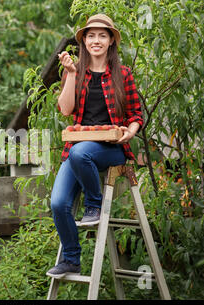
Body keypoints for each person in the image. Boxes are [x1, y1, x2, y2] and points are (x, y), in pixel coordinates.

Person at [46, 13, 143, 278]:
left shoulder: (123, 74)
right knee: (58, 204)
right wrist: (70, 74)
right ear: (84, 42)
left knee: (81, 152)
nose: (96, 40)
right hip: (78, 150)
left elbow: (136, 114)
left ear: (111, 40)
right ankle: (71, 259)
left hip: (110, 149)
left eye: (102, 35)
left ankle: (94, 205)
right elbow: (65, 110)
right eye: (91, 36)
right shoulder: (76, 70)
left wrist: (130, 132)